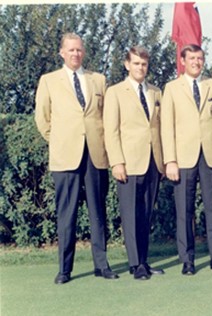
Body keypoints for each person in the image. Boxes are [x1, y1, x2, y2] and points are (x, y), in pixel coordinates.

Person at [35, 33, 118, 284]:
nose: (75, 54)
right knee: (66, 213)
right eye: (71, 50)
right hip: (65, 156)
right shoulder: (49, 81)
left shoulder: (98, 80)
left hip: (95, 155)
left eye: (79, 50)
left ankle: (101, 265)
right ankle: (64, 269)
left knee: (97, 212)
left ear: (84, 52)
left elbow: (105, 117)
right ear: (62, 52)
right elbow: (42, 119)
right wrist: (61, 140)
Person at [161, 44, 212, 275]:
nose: (196, 62)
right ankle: (188, 260)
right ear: (183, 61)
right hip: (183, 158)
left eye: (200, 58)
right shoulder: (172, 88)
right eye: (191, 58)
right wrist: (170, 160)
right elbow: (166, 127)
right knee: (185, 210)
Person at [103, 46, 165, 280]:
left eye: (144, 64)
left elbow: (159, 128)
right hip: (128, 162)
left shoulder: (155, 92)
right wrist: (116, 162)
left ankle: (144, 261)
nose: (141, 68)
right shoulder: (115, 92)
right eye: (136, 63)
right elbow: (112, 131)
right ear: (127, 65)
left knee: (146, 215)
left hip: (153, 162)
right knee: (131, 214)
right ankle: (135, 263)